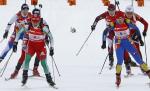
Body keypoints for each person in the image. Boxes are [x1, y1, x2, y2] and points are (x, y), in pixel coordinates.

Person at [13, 8, 56, 86]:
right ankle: (24, 77)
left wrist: (52, 48)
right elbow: (19, 33)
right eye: (33, 21)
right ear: (31, 20)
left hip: (41, 46)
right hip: (31, 45)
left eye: (36, 21)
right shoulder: (28, 25)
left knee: (43, 63)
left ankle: (49, 79)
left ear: (39, 20)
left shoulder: (43, 27)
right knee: (27, 59)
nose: (35, 23)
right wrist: (15, 43)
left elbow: (51, 37)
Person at [0, 4, 41, 78]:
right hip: (16, 34)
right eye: (24, 10)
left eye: (27, 10)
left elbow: (36, 20)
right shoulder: (17, 15)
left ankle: (23, 64)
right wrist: (6, 31)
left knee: (25, 50)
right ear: (21, 10)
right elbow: (9, 23)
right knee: (8, 48)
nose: (25, 11)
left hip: (25, 34)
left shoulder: (30, 15)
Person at [108, 14, 150, 87]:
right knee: (120, 61)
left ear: (123, 18)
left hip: (128, 42)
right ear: (116, 19)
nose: (120, 20)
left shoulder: (127, 22)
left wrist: (140, 39)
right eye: (118, 19)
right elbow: (106, 32)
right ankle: (118, 77)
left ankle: (149, 74)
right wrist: (106, 41)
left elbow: (136, 28)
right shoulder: (114, 24)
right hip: (119, 43)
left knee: (139, 60)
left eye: (121, 19)